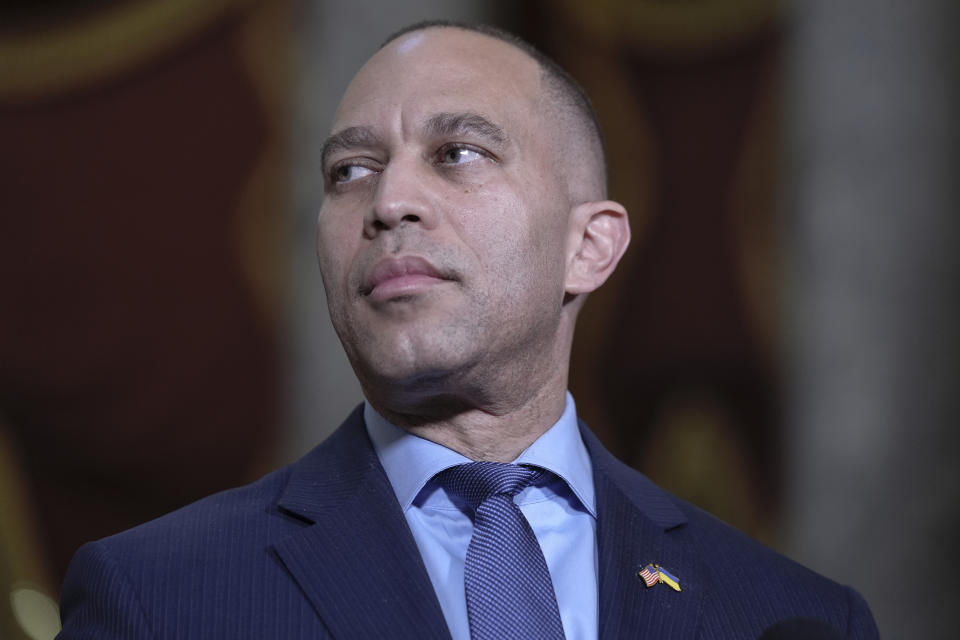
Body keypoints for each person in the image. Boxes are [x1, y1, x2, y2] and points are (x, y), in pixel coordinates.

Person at [56, 21, 879, 640]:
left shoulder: (790, 617)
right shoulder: (158, 597)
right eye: (351, 172)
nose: (387, 203)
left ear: (588, 247)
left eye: (456, 153)